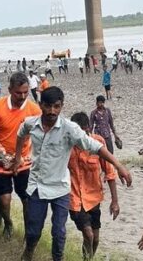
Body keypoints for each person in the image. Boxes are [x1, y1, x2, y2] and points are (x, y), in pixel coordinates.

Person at [12, 86, 131, 261]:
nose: (52, 111)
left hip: (61, 189)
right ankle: (28, 252)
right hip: (37, 185)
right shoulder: (31, 123)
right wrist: (16, 158)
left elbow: (96, 147)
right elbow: (21, 134)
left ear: (61, 106)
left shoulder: (69, 128)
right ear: (40, 105)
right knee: (33, 230)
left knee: (59, 233)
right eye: (48, 106)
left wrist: (119, 165)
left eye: (57, 106)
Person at [0, 72, 42, 240]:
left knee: (26, 198)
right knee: (4, 199)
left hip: (24, 159)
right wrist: (0, 148)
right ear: (10, 90)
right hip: (0, 158)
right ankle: (8, 223)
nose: (23, 96)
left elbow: (40, 136)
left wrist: (31, 154)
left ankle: (27, 232)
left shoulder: (34, 109)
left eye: (25, 92)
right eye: (18, 93)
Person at [68, 112, 120, 260]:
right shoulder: (67, 145)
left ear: (88, 128)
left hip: (93, 198)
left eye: (84, 132)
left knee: (95, 239)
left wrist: (115, 201)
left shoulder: (98, 143)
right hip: (74, 199)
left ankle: (87, 259)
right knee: (88, 235)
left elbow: (109, 173)